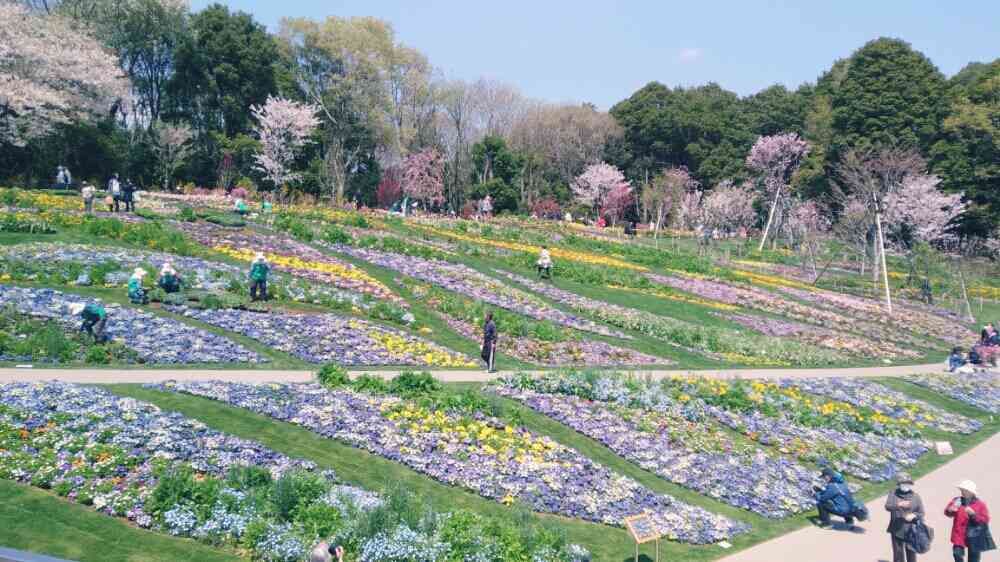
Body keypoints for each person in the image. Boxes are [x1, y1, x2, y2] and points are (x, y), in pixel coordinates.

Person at [946, 480, 992, 562]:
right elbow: (947, 512)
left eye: (965, 491)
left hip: (975, 536)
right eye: (962, 490)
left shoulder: (980, 504)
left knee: (973, 559)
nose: (962, 492)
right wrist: (950, 510)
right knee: (957, 554)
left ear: (971, 492)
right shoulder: (957, 500)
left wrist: (973, 514)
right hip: (959, 535)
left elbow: (985, 520)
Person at [886, 472, 924, 562]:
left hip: (911, 529)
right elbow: (888, 506)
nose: (906, 485)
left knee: (911, 553)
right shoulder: (893, 494)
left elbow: (921, 512)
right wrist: (898, 504)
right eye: (903, 483)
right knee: (898, 554)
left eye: (908, 483)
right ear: (899, 484)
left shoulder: (916, 496)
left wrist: (914, 515)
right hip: (896, 528)